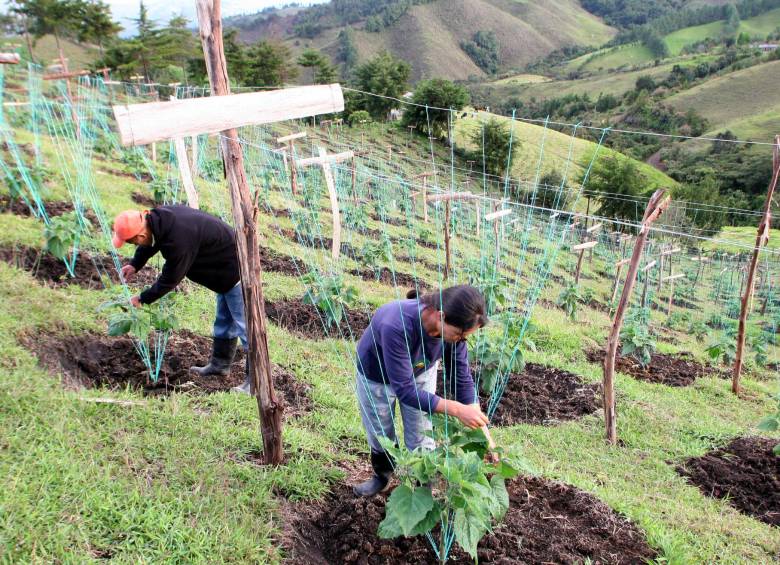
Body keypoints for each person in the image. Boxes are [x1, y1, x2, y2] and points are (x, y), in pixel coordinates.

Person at [353, 285, 490, 497]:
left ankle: (423, 488)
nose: (461, 340)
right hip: (376, 375)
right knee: (380, 430)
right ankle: (382, 476)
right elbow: (405, 390)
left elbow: (461, 377)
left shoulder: (453, 334)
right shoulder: (396, 324)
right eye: (460, 335)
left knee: (420, 431)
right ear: (441, 316)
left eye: (465, 338)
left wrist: (481, 427)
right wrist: (456, 409)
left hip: (420, 370)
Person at [111, 205, 253, 394]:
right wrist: (135, 264)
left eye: (133, 242)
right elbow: (150, 243)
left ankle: (256, 381)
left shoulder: (178, 239)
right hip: (223, 269)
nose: (136, 245)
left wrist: (143, 298)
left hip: (236, 269)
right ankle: (219, 365)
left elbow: (170, 278)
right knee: (224, 322)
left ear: (140, 237)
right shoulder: (158, 220)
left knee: (246, 328)